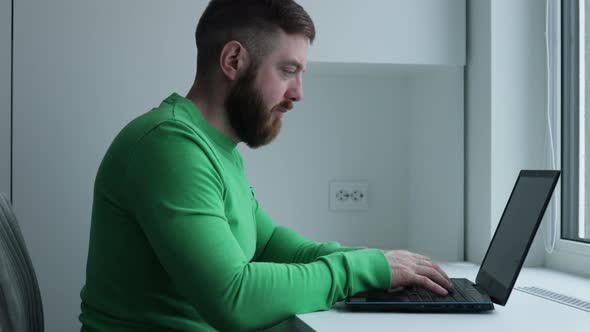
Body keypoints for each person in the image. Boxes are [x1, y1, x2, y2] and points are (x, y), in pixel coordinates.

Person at [79, 0, 454, 331]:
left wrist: (378, 263)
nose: (298, 93)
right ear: (233, 61)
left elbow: (268, 243)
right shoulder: (169, 146)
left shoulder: (216, 149)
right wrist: (364, 270)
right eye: (288, 71)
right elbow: (234, 299)